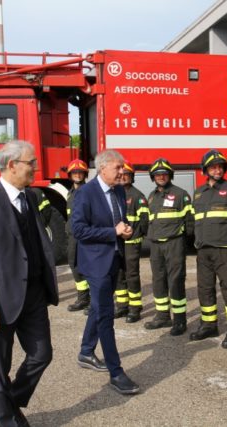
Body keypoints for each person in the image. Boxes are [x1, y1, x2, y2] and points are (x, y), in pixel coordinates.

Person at [0, 140, 59, 425]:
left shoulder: (29, 198)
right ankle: (9, 420)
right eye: (31, 163)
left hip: (33, 295)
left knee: (42, 354)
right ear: (11, 165)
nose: (35, 167)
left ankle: (11, 397)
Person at [71, 149, 141, 395]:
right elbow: (78, 230)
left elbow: (119, 222)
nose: (123, 172)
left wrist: (125, 231)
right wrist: (113, 232)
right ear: (102, 169)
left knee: (100, 309)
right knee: (106, 315)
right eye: (118, 168)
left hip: (114, 259)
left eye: (122, 168)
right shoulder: (85, 194)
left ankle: (86, 352)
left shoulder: (119, 190)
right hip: (95, 264)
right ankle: (116, 372)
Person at [190, 149, 227, 349]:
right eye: (213, 167)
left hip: (225, 250)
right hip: (204, 250)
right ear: (205, 170)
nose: (217, 170)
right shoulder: (199, 192)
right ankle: (209, 325)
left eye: (219, 167)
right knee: (205, 289)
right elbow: (194, 219)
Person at [144, 158, 194, 335]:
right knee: (158, 280)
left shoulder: (181, 194)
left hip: (174, 243)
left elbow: (190, 222)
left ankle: (180, 321)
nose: (161, 177)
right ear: (153, 177)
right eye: (157, 175)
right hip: (156, 245)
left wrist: (184, 242)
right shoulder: (152, 196)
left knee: (175, 281)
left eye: (164, 174)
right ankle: (162, 316)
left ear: (170, 175)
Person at [114, 161, 149, 323]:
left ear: (131, 177)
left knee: (131, 274)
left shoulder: (137, 196)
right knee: (119, 273)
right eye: (121, 175)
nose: (123, 178)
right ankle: (122, 306)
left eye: (127, 175)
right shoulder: (114, 194)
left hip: (132, 242)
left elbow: (144, 221)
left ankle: (135, 308)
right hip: (117, 243)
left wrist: (136, 236)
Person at [64, 159, 91, 312]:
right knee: (74, 265)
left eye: (80, 172)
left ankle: (93, 299)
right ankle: (83, 298)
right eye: (74, 172)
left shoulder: (89, 191)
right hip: (73, 235)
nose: (78, 175)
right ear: (70, 175)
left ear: (85, 174)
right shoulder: (71, 192)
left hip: (85, 235)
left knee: (88, 266)